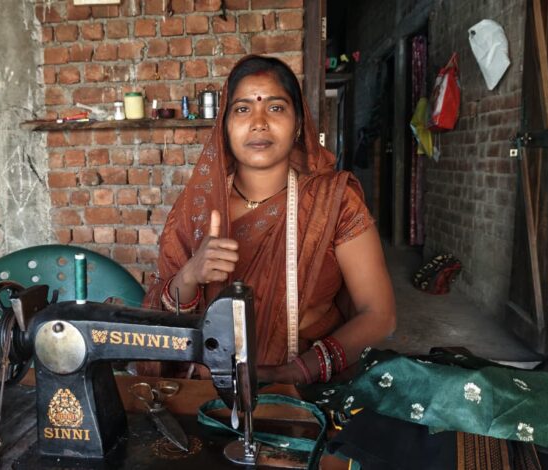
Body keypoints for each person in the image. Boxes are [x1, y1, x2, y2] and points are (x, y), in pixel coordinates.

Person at [142, 55, 396, 384]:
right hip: (209, 389)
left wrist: (293, 372)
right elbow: (162, 326)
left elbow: (379, 315)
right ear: (225, 125)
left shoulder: (333, 201)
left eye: (275, 108)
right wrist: (192, 273)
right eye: (243, 108)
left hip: (306, 388)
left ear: (299, 124)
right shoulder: (196, 210)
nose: (259, 122)